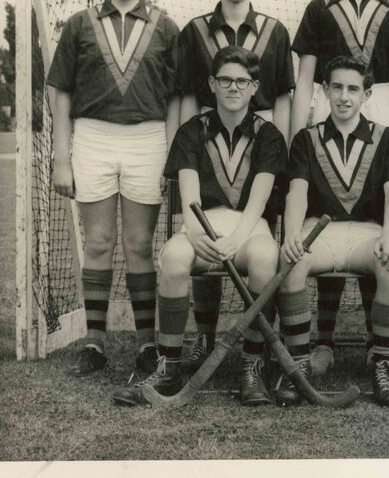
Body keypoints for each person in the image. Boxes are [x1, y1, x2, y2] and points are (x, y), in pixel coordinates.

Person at [112, 46, 286, 407]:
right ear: (211, 83)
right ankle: (169, 366)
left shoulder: (269, 135)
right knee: (174, 257)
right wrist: (195, 235)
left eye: (242, 81)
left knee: (267, 258)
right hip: (201, 224)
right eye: (225, 80)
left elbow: (260, 200)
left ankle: (252, 366)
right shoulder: (192, 130)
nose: (233, 88)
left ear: (255, 86)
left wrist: (236, 239)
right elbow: (188, 194)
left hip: (249, 228)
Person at [47, 0, 180, 379]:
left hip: (148, 138)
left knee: (140, 246)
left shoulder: (165, 26)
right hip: (93, 137)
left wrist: (172, 154)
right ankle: (95, 343)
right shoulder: (79, 23)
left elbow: (179, 96)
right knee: (99, 242)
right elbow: (59, 91)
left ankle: (146, 344)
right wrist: (61, 158)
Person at [289, 0, 389, 378]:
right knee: (330, 205)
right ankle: (320, 341)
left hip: (379, 100)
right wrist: (295, 131)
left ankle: (373, 342)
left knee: (370, 211)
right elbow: (305, 78)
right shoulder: (319, 8)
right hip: (331, 99)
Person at [174, 0, 295, 376]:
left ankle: (255, 348)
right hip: (209, 133)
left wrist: (281, 147)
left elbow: (281, 95)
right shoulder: (195, 29)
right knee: (205, 227)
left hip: (259, 138)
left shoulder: (275, 30)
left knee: (260, 241)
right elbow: (188, 95)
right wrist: (186, 146)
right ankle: (204, 335)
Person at [276, 55, 389, 407]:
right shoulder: (306, 139)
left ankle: (382, 364)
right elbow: (297, 191)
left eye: (354, 89)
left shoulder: (387, 138)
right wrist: (291, 234)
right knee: (291, 260)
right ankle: (300, 364)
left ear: (367, 94)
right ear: (324, 90)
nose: (344, 96)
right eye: (337, 87)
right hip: (320, 232)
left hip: (368, 232)